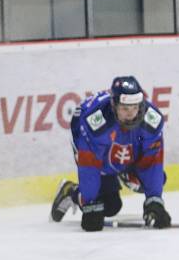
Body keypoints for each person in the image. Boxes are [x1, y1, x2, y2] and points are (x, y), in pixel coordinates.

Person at [50, 76, 171, 232]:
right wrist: (89, 203)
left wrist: (154, 201)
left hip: (118, 143)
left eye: (135, 108)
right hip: (90, 140)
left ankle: (125, 171)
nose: (131, 114)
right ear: (114, 106)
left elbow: (151, 163)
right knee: (110, 206)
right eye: (125, 109)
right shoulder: (95, 124)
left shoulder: (151, 120)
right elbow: (90, 166)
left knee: (154, 180)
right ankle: (70, 191)